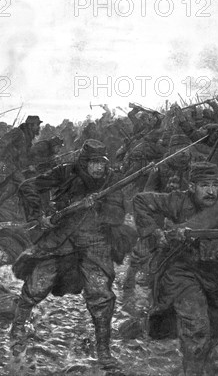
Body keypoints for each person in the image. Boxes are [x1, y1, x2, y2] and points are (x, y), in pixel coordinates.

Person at [11, 139, 132, 368]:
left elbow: (117, 216)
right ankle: (17, 329)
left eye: (102, 163)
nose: (99, 168)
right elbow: (28, 186)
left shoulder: (113, 180)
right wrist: (39, 215)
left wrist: (97, 207)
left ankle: (104, 351)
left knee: (101, 294)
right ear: (84, 162)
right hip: (60, 239)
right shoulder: (66, 172)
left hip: (96, 242)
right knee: (37, 285)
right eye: (93, 163)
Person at [133, 162, 218, 375]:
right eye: (204, 185)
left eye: (215, 185)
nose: (211, 191)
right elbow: (140, 201)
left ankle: (201, 364)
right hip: (181, 272)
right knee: (196, 328)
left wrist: (200, 244)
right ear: (192, 186)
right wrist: (156, 234)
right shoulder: (177, 200)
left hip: (215, 276)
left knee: (214, 329)